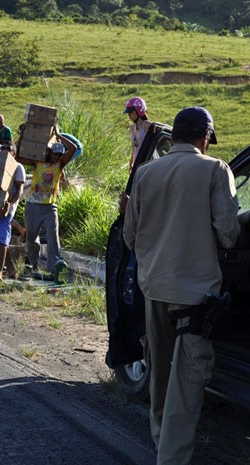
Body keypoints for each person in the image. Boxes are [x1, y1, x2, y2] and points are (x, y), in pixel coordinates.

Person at [123, 106, 240, 465]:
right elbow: (230, 235)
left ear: (172, 136)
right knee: (185, 387)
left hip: (154, 290)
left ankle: (162, 444)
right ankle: (171, 459)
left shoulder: (145, 173)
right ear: (205, 138)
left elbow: (129, 237)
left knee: (159, 375)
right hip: (196, 298)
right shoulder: (214, 170)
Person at [23, 129, 76, 280]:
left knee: (53, 237)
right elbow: (22, 155)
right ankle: (34, 265)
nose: (57, 156)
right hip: (33, 205)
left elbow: (73, 149)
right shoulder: (38, 162)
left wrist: (59, 136)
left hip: (50, 207)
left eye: (60, 154)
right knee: (32, 238)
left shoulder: (60, 165)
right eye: (55, 154)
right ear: (50, 152)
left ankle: (54, 268)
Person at [0, 142, 25, 282]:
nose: (6, 151)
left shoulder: (18, 167)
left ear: (14, 153)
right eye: (3, 149)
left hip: (6, 210)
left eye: (9, 150)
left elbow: (20, 189)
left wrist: (10, 203)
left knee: (2, 240)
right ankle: (12, 270)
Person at [123, 96, 151, 172]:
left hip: (147, 164)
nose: (129, 115)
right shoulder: (132, 128)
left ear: (139, 111)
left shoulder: (148, 126)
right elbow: (134, 148)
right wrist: (131, 163)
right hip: (137, 165)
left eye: (131, 112)